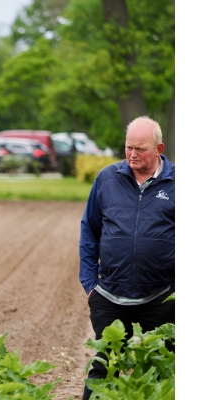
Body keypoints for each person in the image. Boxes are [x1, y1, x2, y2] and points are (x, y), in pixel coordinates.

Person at [79, 115, 175, 399]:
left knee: (160, 371)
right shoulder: (107, 179)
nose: (132, 154)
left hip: (160, 299)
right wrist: (89, 284)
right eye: (128, 147)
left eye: (140, 149)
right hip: (110, 297)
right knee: (103, 370)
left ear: (159, 149)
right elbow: (89, 231)